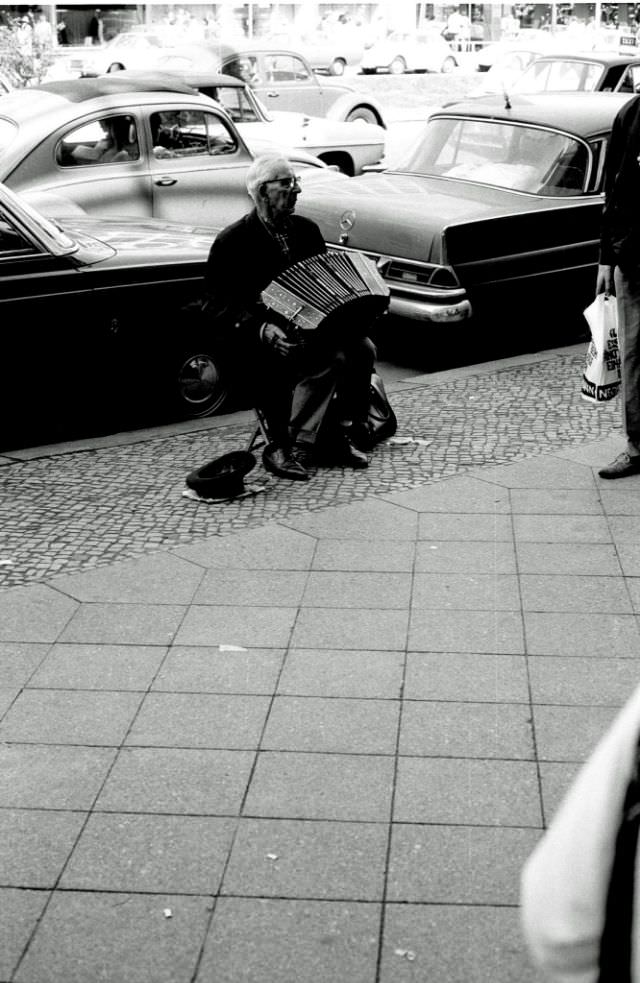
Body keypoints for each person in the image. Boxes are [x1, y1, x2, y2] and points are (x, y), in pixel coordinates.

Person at [204, 153, 377, 482]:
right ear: (262, 191)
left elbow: (327, 285)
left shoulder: (306, 231)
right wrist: (262, 328)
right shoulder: (233, 241)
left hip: (313, 331)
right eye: (287, 184)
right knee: (333, 358)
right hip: (263, 343)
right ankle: (297, 444)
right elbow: (213, 304)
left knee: (364, 348)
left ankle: (339, 433)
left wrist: (353, 311)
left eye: (296, 182)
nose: (296, 190)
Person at [596, 95, 640, 479]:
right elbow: (615, 191)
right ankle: (637, 446)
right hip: (635, 258)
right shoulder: (631, 114)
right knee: (634, 354)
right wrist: (607, 257)